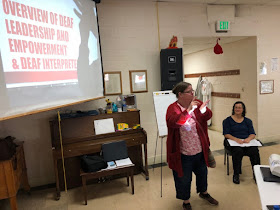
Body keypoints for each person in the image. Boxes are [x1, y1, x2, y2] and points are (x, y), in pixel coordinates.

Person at [166, 82, 218, 210]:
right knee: (184, 178)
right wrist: (189, 110)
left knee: (202, 173)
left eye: (192, 91)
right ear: (180, 94)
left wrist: (204, 110)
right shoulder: (172, 108)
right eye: (189, 91)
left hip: (199, 149)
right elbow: (175, 122)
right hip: (183, 153)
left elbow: (208, 116)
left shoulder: (197, 103)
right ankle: (186, 201)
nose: (193, 93)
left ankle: (204, 193)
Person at [223, 101, 260, 184]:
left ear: (243, 109)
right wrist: (236, 139)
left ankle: (257, 174)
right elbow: (226, 134)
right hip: (233, 142)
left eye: (239, 107)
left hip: (246, 142)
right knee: (238, 151)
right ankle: (236, 174)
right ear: (233, 109)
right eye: (236, 107)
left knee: (254, 151)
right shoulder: (227, 121)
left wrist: (249, 139)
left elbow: (252, 133)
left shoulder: (248, 121)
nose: (237, 109)